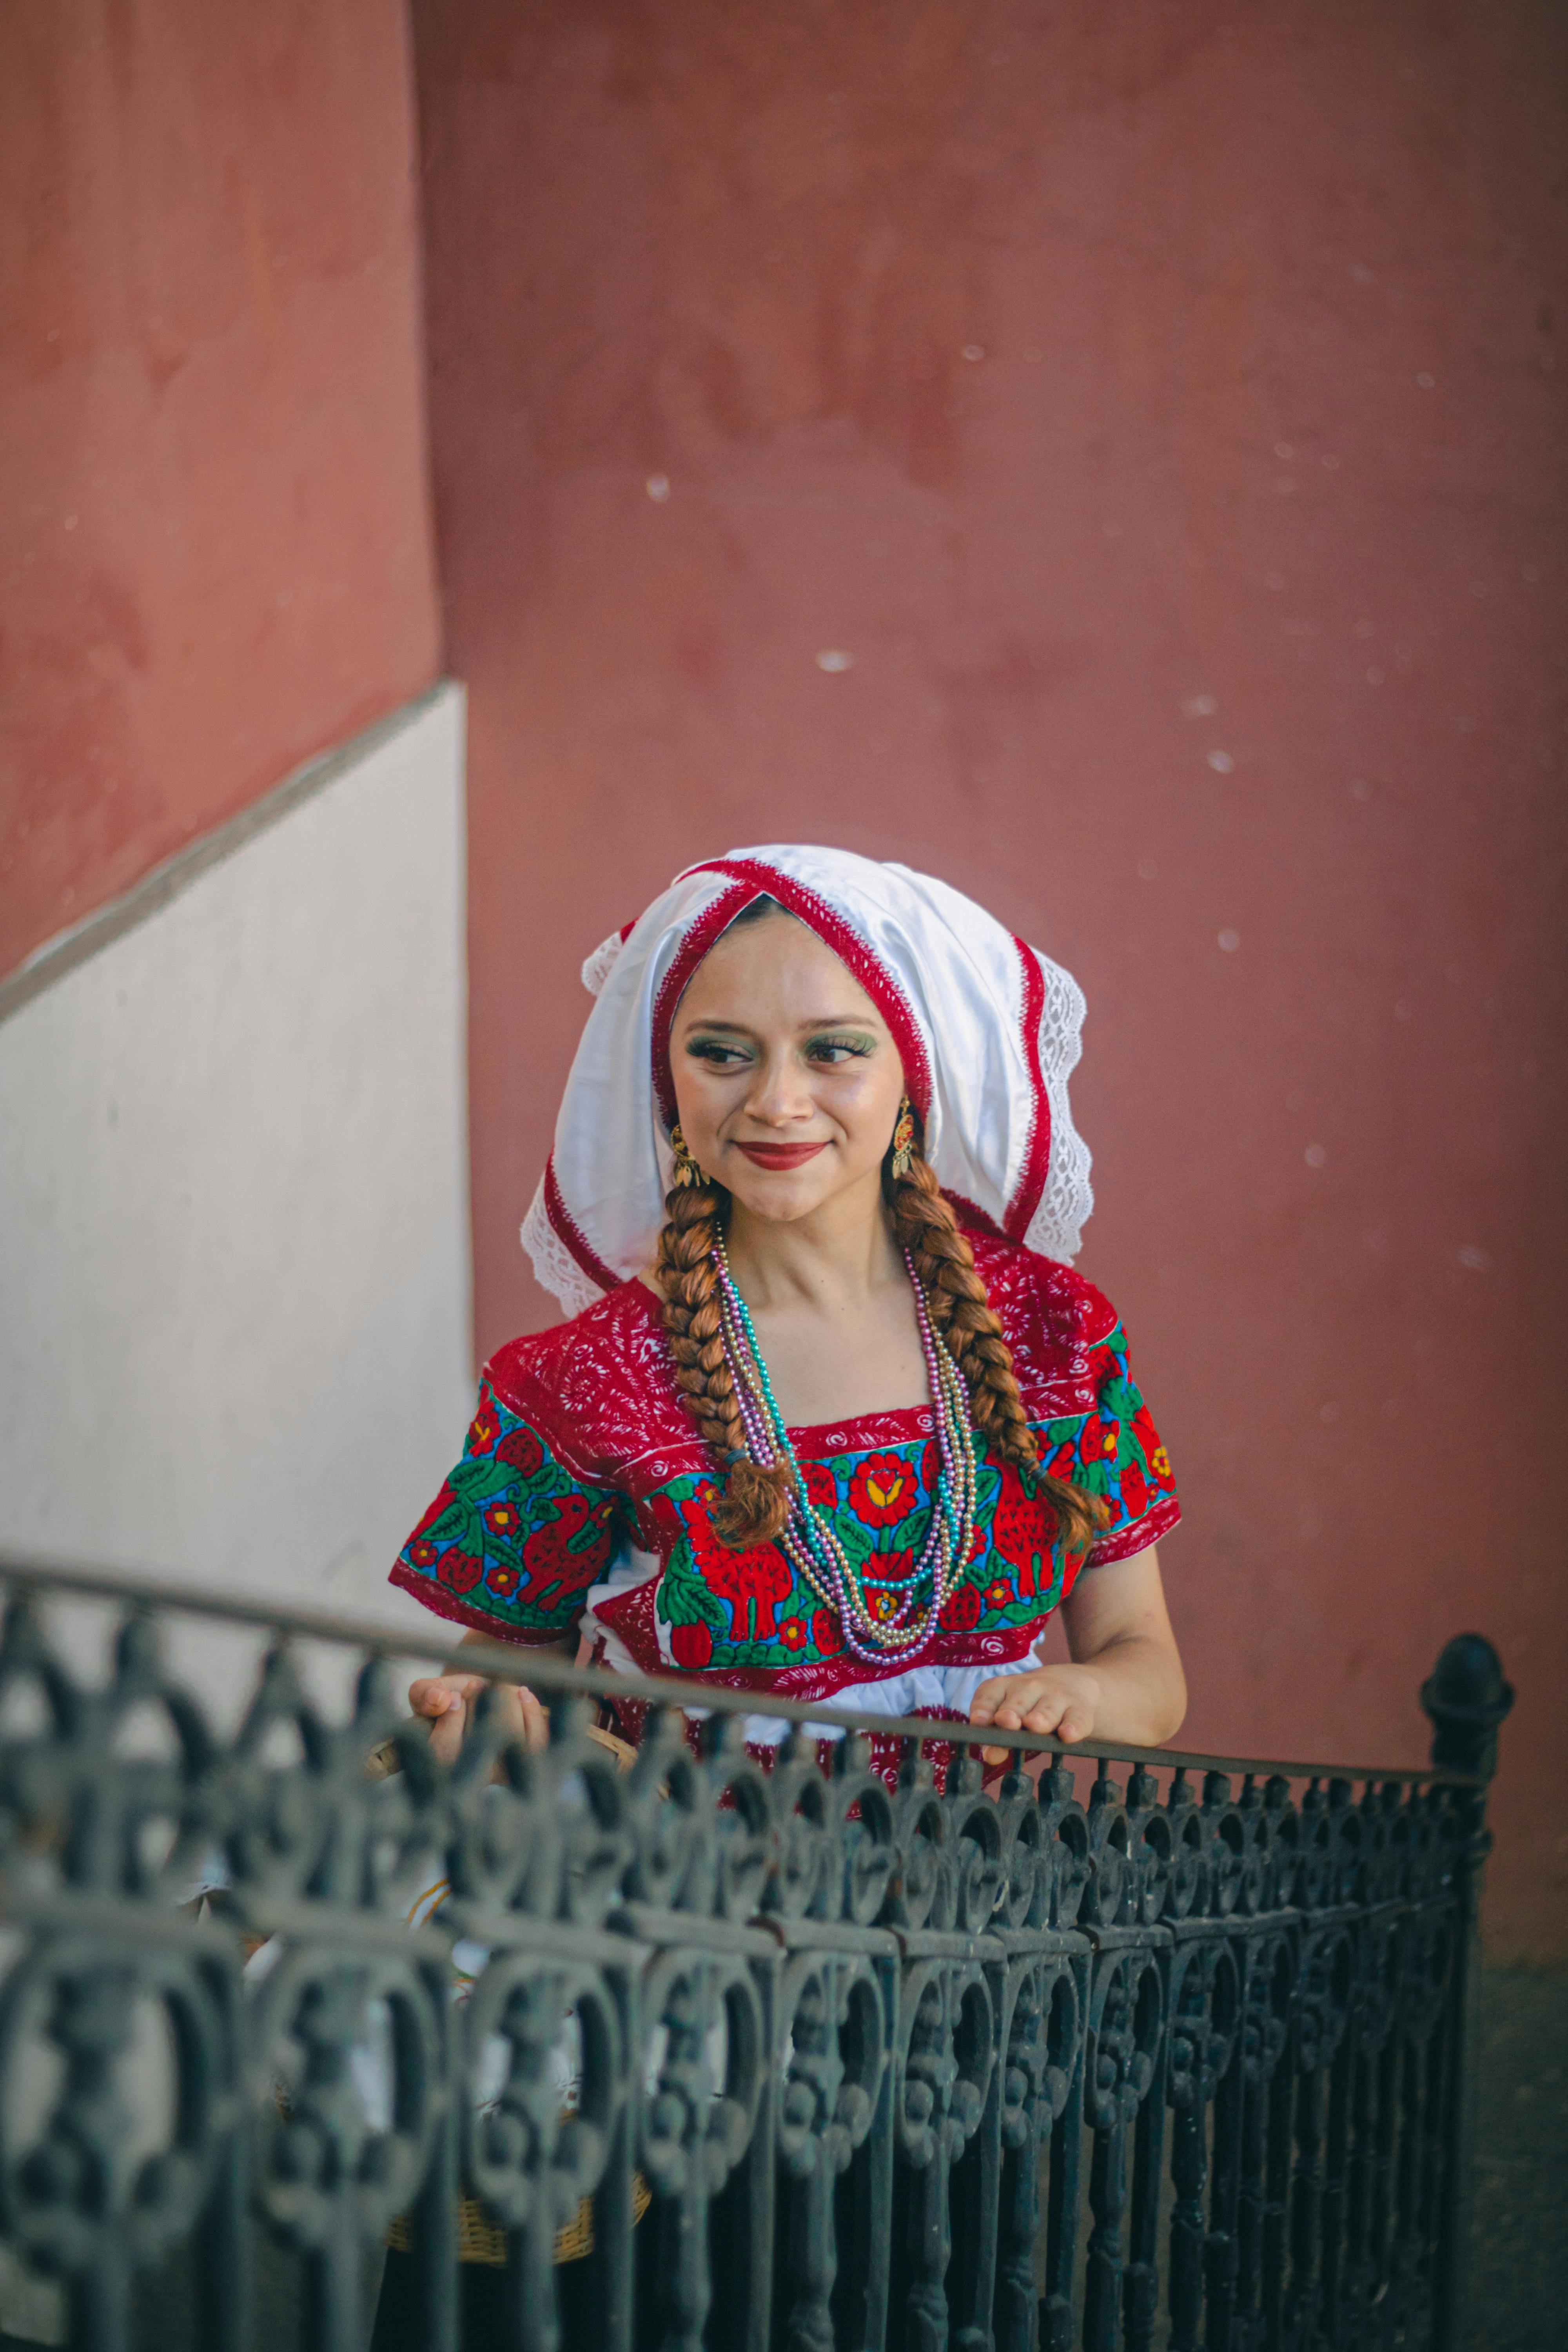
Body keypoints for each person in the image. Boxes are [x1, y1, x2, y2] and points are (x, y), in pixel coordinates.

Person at [392, 846, 1185, 1782]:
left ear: (911, 1073)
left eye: (833, 1050)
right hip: (677, 1903)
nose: (776, 1102)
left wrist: (1087, 1697)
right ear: (666, 1083)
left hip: (987, 1911)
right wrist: (483, 1716)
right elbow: (503, 1671)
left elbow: (1147, 1668)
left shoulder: (1051, 1332)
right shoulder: (581, 1380)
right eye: (721, 1053)